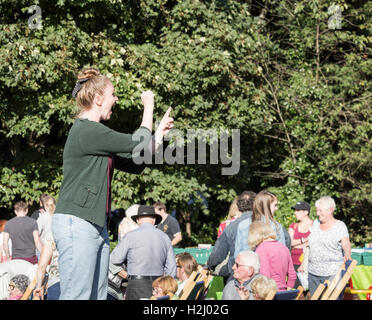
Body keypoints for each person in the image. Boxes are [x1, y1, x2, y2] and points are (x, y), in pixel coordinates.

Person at [52, 67, 174, 300]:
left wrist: (158, 134)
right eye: (113, 95)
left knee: (97, 296)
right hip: (77, 222)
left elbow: (137, 163)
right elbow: (138, 141)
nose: (116, 100)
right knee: (78, 296)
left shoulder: (98, 137)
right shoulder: (86, 131)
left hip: (95, 224)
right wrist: (148, 106)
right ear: (98, 99)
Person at [111, 205, 176, 300]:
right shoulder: (165, 237)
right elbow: (171, 268)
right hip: (158, 286)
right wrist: (164, 286)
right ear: (154, 220)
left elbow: (113, 260)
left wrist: (125, 275)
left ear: (137, 220)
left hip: (136, 284)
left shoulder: (130, 236)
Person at [306, 196, 351, 297]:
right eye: (317, 210)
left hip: (333, 273)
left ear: (330, 210)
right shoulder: (315, 224)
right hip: (313, 272)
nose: (317, 213)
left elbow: (345, 242)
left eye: (320, 210)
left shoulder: (340, 226)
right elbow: (309, 244)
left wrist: (347, 253)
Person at [207, 191, 256, 279]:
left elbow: (217, 254)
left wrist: (210, 266)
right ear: (256, 204)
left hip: (237, 275)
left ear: (239, 206)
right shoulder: (269, 224)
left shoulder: (231, 227)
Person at [235, 190, 287, 258]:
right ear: (266, 206)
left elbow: (237, 253)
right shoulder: (276, 226)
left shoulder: (243, 225)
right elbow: (282, 254)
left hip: (247, 265)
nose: (277, 208)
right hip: (269, 266)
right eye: (275, 205)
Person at [248, 220, 296, 291]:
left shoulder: (261, 249)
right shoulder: (283, 247)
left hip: (269, 293)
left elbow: (265, 276)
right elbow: (292, 275)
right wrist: (287, 292)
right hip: (283, 292)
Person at [288, 201, 313, 288]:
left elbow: (313, 243)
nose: (295, 213)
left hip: (308, 264)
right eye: (295, 210)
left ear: (306, 212)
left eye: (298, 210)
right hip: (293, 264)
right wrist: (305, 240)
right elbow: (289, 243)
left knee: (310, 292)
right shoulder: (293, 226)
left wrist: (296, 244)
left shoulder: (315, 226)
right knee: (295, 292)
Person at [32, 230, 60, 300]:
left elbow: (42, 266)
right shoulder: (85, 229)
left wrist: (39, 286)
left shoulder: (53, 233)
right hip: (80, 282)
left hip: (56, 282)